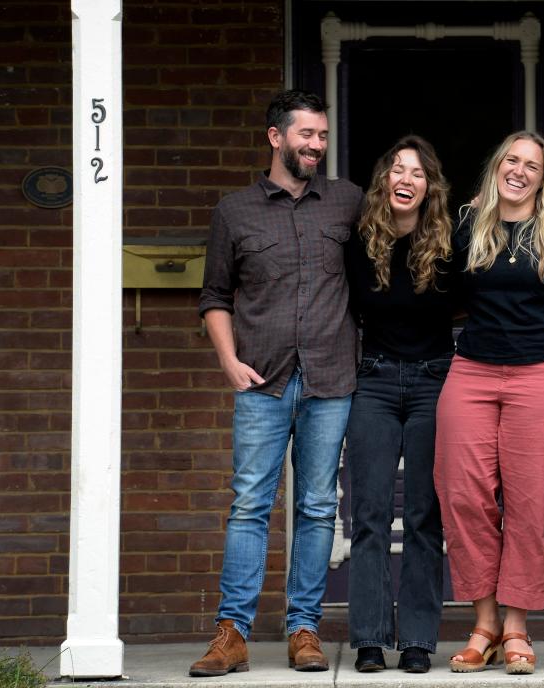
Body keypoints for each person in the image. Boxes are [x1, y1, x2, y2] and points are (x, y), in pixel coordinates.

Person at [191, 90, 363, 677]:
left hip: (331, 379)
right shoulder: (234, 211)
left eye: (321, 136)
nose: (316, 145)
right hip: (260, 382)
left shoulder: (347, 202)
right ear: (275, 137)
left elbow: (391, 256)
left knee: (317, 507)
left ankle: (304, 630)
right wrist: (227, 360)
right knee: (249, 506)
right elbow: (214, 296)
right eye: (306, 135)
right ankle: (232, 632)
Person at [434, 131, 544, 675]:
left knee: (528, 501)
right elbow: (445, 296)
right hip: (472, 369)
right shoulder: (468, 223)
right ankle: (484, 623)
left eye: (532, 166)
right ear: (497, 166)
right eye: (511, 161)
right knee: (464, 495)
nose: (519, 171)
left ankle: (516, 627)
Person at [343, 135, 454, 674]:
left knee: (423, 517)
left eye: (417, 173)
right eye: (397, 169)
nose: (406, 180)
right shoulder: (359, 241)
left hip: (437, 381)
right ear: (384, 181)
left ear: (430, 187)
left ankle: (416, 640)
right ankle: (368, 638)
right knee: (367, 513)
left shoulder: (450, 244)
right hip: (375, 382)